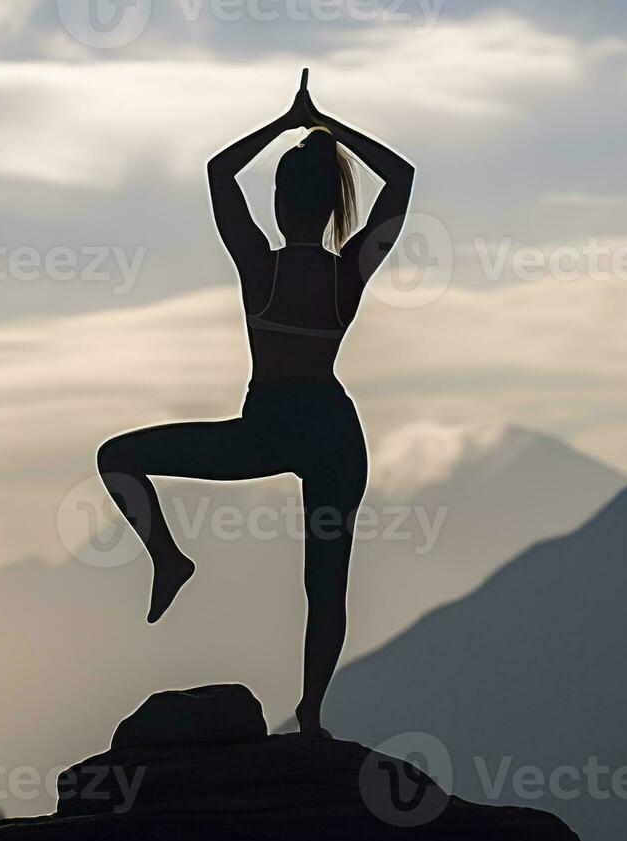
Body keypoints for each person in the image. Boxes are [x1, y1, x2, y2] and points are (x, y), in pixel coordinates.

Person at [95, 69, 415, 738]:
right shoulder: (345, 273)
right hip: (329, 429)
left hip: (268, 425)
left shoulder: (259, 268)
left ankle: (168, 557)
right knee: (324, 584)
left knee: (118, 458)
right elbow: (402, 178)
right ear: (332, 205)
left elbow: (218, 173)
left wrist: (287, 122)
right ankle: (312, 713)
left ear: (278, 204)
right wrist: (329, 126)